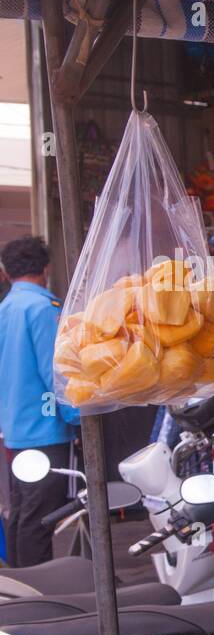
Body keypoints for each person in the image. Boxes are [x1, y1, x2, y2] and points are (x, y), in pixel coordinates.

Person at [0, 236, 79, 566]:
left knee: (22, 513)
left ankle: (20, 587)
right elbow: (56, 371)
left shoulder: (5, 308)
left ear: (6, 273)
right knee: (40, 518)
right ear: (46, 268)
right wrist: (77, 415)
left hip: (15, 429)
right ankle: (38, 595)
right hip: (44, 429)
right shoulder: (44, 308)